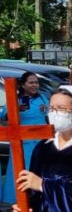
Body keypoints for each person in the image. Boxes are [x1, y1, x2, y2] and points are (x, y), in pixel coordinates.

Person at [0, 72, 50, 204]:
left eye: (36, 83)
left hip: (41, 140)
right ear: (23, 85)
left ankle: (41, 195)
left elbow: (50, 114)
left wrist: (47, 109)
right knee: (22, 167)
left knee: (40, 168)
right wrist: (15, 109)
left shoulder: (43, 98)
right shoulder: (14, 99)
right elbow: (4, 119)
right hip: (22, 142)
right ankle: (16, 198)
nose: (35, 85)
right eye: (31, 82)